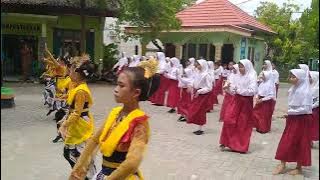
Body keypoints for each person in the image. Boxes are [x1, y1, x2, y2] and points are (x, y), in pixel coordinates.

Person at [68, 61, 159, 180]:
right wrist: (79, 167)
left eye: (121, 86)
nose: (116, 89)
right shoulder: (115, 113)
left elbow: (132, 162)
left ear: (136, 93)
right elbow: (94, 140)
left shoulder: (139, 123)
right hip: (104, 173)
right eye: (117, 84)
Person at [58, 57, 97, 179]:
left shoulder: (80, 91)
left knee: (75, 153)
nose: (69, 72)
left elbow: (77, 113)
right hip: (77, 123)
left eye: (72, 70)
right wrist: (64, 120)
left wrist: (64, 125)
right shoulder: (76, 87)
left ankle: (84, 175)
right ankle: (82, 174)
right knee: (71, 152)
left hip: (80, 124)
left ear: (78, 74)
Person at [272, 69, 313, 176]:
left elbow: (306, 109)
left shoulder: (306, 91)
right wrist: (290, 113)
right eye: (290, 76)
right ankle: (282, 163)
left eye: (293, 77)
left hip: (302, 121)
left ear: (301, 78)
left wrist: (290, 112)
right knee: (286, 141)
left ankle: (299, 167)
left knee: (301, 142)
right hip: (293, 119)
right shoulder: (293, 89)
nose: (290, 79)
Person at [219, 59, 257, 153]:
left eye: (242, 67)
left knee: (242, 124)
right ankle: (227, 142)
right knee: (229, 120)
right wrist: (227, 89)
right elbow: (233, 90)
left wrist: (239, 90)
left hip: (246, 103)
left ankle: (240, 146)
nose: (240, 69)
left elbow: (252, 90)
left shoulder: (251, 76)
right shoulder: (238, 76)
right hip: (236, 101)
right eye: (239, 66)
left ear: (247, 67)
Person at [186, 59, 212, 135]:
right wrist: (190, 86)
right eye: (197, 64)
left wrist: (200, 91)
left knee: (200, 111)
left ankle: (201, 128)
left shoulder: (206, 75)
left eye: (199, 64)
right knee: (194, 109)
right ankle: (198, 126)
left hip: (203, 94)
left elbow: (209, 87)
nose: (197, 66)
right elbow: (193, 80)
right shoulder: (197, 72)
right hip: (196, 92)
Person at [310, 71, 319, 146]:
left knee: (313, 126)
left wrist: (311, 107)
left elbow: (317, 102)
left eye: (310, 77)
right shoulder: (309, 86)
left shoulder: (317, 88)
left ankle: (311, 141)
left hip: (315, 110)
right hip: (308, 109)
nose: (309, 78)